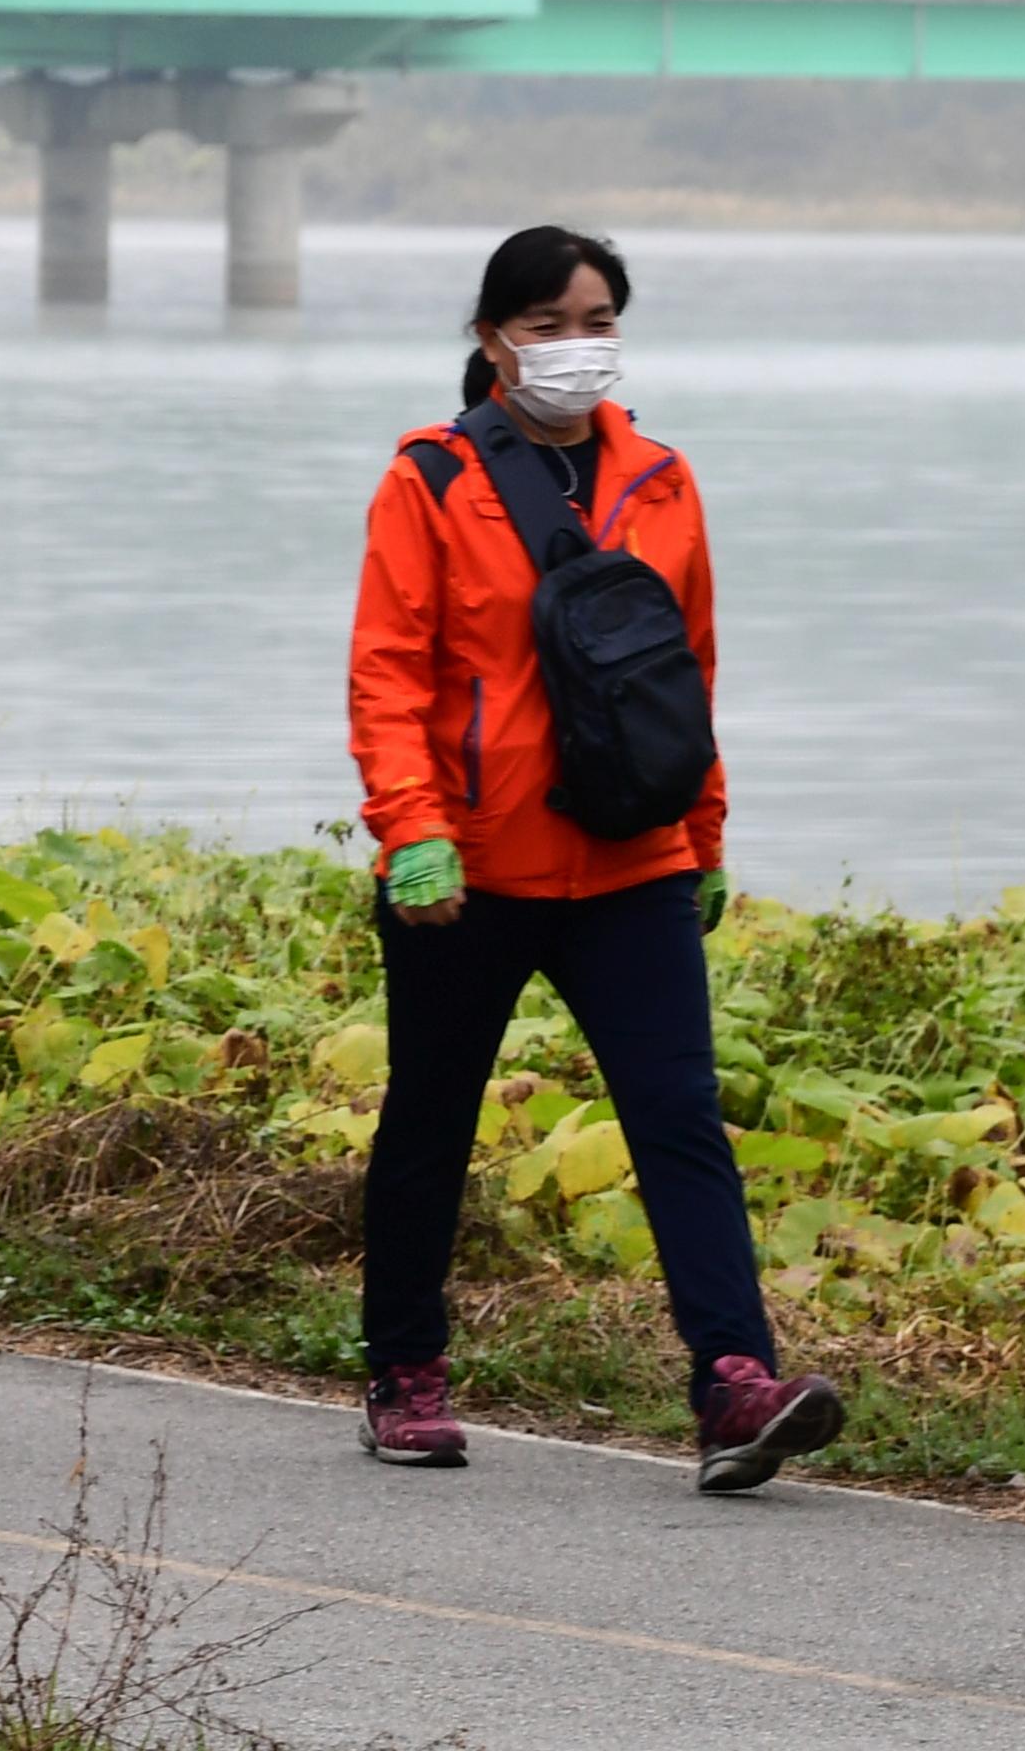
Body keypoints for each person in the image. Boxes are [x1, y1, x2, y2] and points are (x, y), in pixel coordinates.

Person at [344, 225, 843, 1492]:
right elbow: (390, 672)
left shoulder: (664, 481)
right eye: (553, 322)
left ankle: (734, 1382)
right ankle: (405, 1371)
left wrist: (707, 830)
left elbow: (689, 678)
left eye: (600, 318)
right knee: (432, 1121)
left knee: (680, 1118)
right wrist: (411, 832)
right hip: (470, 870)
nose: (580, 345)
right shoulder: (432, 478)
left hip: (631, 861)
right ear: (492, 337)